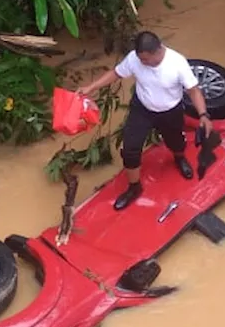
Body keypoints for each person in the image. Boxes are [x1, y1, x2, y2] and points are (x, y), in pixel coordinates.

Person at [76, 31, 215, 210]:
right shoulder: (135, 58)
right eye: (141, 59)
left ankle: (179, 159)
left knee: (176, 142)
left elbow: (194, 91)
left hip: (170, 110)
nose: (142, 63)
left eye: (146, 60)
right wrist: (91, 87)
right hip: (142, 109)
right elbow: (116, 73)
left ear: (158, 51)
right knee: (130, 149)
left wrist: (203, 115)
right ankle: (134, 187)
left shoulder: (177, 64)